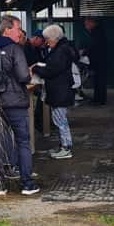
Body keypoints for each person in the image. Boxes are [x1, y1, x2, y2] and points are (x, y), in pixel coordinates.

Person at [0, 15, 38, 196]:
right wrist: (28, 73)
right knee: (23, 141)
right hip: (15, 103)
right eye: (18, 29)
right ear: (7, 30)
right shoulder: (14, 49)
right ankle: (27, 184)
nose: (20, 33)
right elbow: (23, 77)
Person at [32, 24, 76, 159]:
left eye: (48, 40)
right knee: (60, 119)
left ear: (54, 38)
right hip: (60, 90)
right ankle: (64, 145)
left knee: (60, 120)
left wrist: (35, 69)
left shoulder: (60, 51)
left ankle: (66, 147)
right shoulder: (63, 48)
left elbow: (51, 71)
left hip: (59, 91)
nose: (46, 43)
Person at [83, 17, 108, 105]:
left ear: (92, 23)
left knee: (99, 80)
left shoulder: (96, 32)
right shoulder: (97, 32)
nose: (85, 26)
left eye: (86, 24)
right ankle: (98, 99)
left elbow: (93, 47)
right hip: (99, 60)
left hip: (99, 61)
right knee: (98, 80)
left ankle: (100, 100)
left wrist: (84, 52)